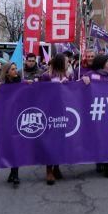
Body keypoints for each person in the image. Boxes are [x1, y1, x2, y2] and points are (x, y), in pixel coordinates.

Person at [84, 54, 108, 178]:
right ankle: (99, 160)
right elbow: (82, 89)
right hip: (96, 112)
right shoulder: (90, 75)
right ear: (101, 63)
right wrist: (83, 81)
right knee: (98, 137)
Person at [40, 53, 72, 184]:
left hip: (63, 112)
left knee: (60, 141)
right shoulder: (46, 76)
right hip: (50, 113)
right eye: (66, 61)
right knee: (50, 142)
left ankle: (57, 167)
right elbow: (41, 93)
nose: (68, 63)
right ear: (60, 62)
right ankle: (49, 170)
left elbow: (72, 92)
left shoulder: (68, 75)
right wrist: (57, 86)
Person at [0, 62, 22, 185]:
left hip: (18, 117)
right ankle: (12, 174)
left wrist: (27, 84)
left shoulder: (19, 81)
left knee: (16, 145)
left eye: (15, 69)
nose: (15, 71)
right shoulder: (2, 84)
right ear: (7, 71)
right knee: (9, 145)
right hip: (6, 119)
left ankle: (15, 174)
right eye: (13, 69)